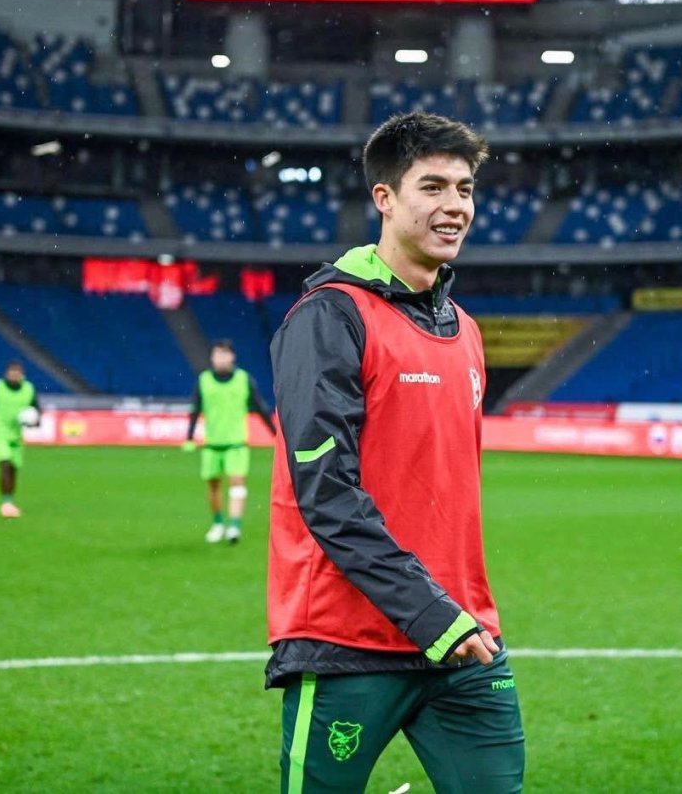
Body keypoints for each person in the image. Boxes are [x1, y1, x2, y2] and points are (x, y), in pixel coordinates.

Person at [267, 112, 525, 793]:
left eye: (465, 189)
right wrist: (428, 611)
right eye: (432, 187)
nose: (455, 207)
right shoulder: (329, 316)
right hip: (349, 641)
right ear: (384, 198)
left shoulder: (465, 329)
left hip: (465, 640)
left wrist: (450, 615)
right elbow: (325, 491)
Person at [183, 339, 276, 544]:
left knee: (237, 481)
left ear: (232, 357)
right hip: (212, 445)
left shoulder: (244, 379)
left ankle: (234, 526)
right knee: (214, 486)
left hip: (236, 444)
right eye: (217, 354)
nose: (221, 358)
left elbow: (260, 407)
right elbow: (195, 410)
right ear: (212, 357)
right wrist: (189, 437)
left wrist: (275, 433)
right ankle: (218, 523)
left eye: (225, 354)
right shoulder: (204, 380)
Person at [0, 360, 41, 519]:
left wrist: (32, 422)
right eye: (11, 372)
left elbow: (37, 414)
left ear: (21, 374)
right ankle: (5, 504)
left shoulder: (29, 389)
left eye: (17, 372)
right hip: (0, 434)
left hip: (17, 437)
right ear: (6, 373)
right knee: (4, 463)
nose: (14, 375)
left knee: (13, 469)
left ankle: (9, 501)